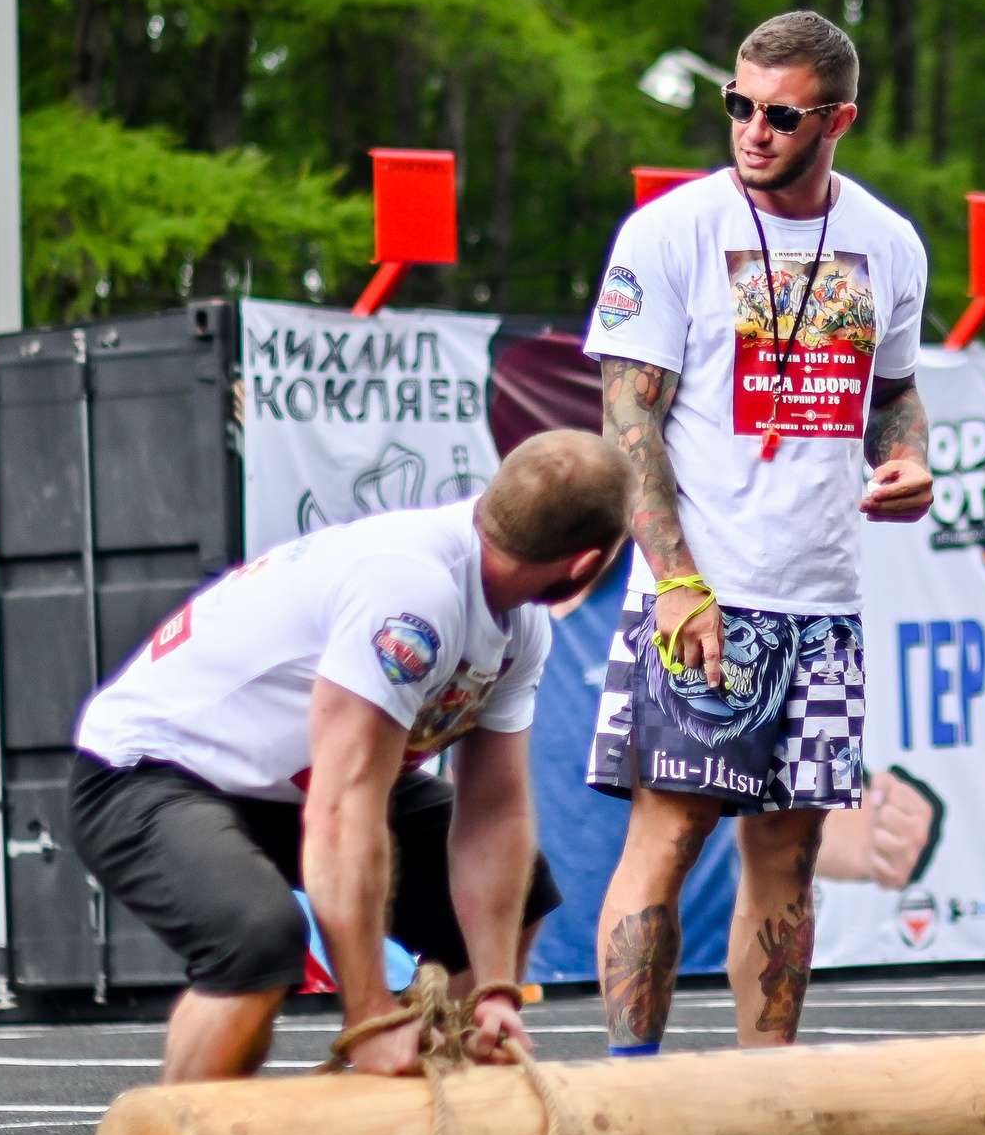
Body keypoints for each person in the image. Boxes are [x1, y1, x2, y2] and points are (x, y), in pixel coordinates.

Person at [68, 431, 633, 1082]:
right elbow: (344, 807)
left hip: (284, 785)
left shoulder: (519, 628)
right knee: (257, 941)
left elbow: (495, 811)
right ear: (588, 561)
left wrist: (495, 993)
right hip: (150, 769)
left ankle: (411, 1118)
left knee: (520, 887)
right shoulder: (412, 592)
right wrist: (367, 1013)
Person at [584, 9, 934, 1055]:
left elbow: (896, 394)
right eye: (738, 106)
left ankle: (763, 1092)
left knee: (789, 852)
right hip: (704, 593)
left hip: (821, 602)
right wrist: (678, 581)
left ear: (838, 119)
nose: (752, 130)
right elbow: (626, 415)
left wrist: (909, 460)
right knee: (671, 830)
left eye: (780, 115)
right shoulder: (672, 230)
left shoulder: (886, 240)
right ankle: (630, 1084)